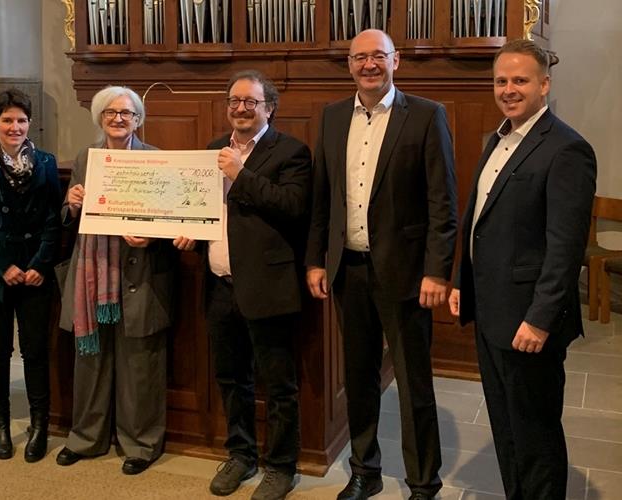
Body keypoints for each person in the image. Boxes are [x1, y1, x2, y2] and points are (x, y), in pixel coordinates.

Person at [305, 30, 457, 500]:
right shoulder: (331, 117)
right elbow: (322, 198)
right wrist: (315, 261)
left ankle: (423, 482)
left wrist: (436, 270)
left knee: (414, 382)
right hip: (348, 270)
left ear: (397, 61)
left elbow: (442, 202)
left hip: (407, 272)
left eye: (377, 56)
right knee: (358, 376)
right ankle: (365, 471)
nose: (368, 65)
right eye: (359, 58)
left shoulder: (428, 115)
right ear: (349, 65)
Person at [448, 39, 596, 499]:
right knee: (506, 426)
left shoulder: (568, 148)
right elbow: (480, 220)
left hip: (528, 320)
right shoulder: (499, 138)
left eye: (519, 80)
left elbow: (564, 248)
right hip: (493, 312)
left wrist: (540, 319)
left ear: (544, 84)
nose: (508, 89)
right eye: (501, 80)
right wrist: (460, 283)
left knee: (535, 434)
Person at [197, 70, 311, 500]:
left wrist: (241, 174)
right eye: (234, 101)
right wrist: (190, 234)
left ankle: (281, 467)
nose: (241, 108)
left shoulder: (292, 152)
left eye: (251, 102)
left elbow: (293, 208)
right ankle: (241, 454)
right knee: (231, 378)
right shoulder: (212, 149)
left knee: (279, 384)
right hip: (219, 284)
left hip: (268, 284)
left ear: (269, 108)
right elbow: (205, 211)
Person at [55, 86, 177, 476]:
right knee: (90, 359)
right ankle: (85, 437)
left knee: (139, 364)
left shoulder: (155, 159)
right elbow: (72, 213)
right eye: (110, 113)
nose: (119, 119)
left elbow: (173, 216)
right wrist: (71, 204)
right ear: (100, 119)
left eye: (127, 113)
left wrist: (152, 234)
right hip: (93, 276)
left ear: (139, 120)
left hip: (140, 273)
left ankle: (140, 443)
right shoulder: (85, 157)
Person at [0, 88, 62, 461]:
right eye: (7, 120)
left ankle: (39, 426)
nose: (14, 127)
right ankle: (0, 424)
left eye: (21, 120)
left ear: (29, 123)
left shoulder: (47, 163)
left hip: (35, 272)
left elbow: (53, 221)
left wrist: (38, 265)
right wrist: (3, 266)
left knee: (35, 352)